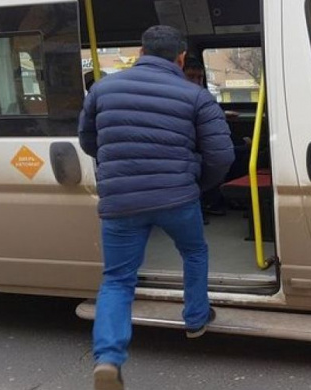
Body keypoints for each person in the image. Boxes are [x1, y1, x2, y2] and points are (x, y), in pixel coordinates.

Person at [78, 25, 235, 390]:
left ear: (140, 51)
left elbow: (88, 140)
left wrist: (119, 167)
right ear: (181, 58)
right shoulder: (194, 95)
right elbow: (222, 155)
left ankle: (109, 359)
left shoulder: (102, 89)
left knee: (117, 279)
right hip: (177, 198)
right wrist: (197, 184)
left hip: (121, 201)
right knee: (194, 252)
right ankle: (196, 319)